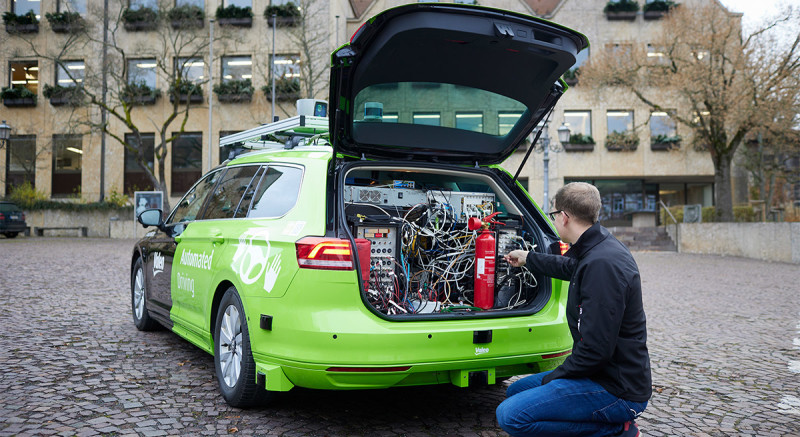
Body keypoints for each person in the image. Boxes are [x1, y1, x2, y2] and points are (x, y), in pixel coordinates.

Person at [496, 182, 651, 437]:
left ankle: (617, 431)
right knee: (516, 391)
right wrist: (528, 258)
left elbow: (595, 351)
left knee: (511, 416)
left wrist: (555, 376)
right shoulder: (597, 246)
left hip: (616, 388)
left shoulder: (603, 266)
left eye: (553, 214)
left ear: (564, 217)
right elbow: (569, 268)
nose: (554, 219)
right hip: (598, 372)